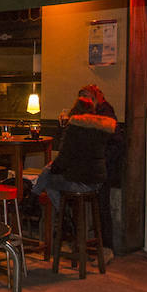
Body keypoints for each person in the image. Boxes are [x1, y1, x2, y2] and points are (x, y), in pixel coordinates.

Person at [34, 84, 116, 223]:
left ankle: (66, 217)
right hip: (97, 181)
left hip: (81, 181)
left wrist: (53, 169)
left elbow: (64, 158)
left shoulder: (75, 127)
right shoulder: (102, 125)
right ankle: (62, 215)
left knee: (47, 179)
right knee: (48, 172)